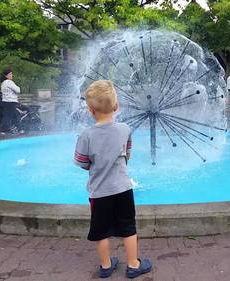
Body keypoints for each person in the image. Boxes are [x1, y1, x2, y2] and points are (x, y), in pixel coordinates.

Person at [73, 80, 152, 279]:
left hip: (99, 191)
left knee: (101, 230)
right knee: (128, 227)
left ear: (90, 110)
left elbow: (82, 162)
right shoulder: (125, 129)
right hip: (123, 189)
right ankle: (134, 265)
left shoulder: (86, 135)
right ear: (116, 106)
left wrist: (97, 166)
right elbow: (127, 155)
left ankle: (106, 266)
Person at [0, 68, 23, 137]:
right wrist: (17, 87)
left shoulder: (3, 83)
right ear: (6, 76)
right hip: (10, 102)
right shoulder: (9, 82)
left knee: (14, 115)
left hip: (6, 102)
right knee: (8, 117)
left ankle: (20, 130)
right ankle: (3, 131)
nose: (12, 75)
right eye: (10, 74)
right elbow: (18, 90)